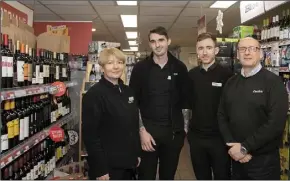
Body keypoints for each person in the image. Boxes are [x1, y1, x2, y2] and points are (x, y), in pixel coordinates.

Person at [218, 36, 288, 180]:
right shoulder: (231, 83)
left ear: (261, 54)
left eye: (252, 49)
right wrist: (232, 146)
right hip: (236, 158)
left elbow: (275, 124)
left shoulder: (273, 83)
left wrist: (245, 147)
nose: (247, 53)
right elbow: (221, 115)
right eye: (243, 49)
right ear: (237, 55)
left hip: (263, 162)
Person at [129, 26, 191, 180]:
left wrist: (183, 131)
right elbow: (132, 103)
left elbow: (186, 102)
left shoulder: (180, 68)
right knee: (146, 176)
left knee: (168, 176)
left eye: (161, 40)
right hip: (148, 136)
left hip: (172, 136)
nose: (157, 45)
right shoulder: (140, 69)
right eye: (153, 41)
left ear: (168, 41)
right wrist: (141, 131)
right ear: (149, 44)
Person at [82, 48, 141, 180]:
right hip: (108, 167)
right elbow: (91, 136)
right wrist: (100, 169)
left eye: (119, 62)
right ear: (102, 67)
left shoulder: (128, 92)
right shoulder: (94, 95)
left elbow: (133, 126)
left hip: (129, 164)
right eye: (110, 63)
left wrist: (136, 154)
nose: (116, 66)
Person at [187, 32, 233, 180]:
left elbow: (232, 108)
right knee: (201, 176)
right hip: (196, 138)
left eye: (208, 47)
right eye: (200, 48)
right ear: (197, 51)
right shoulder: (191, 75)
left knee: (222, 176)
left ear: (216, 50)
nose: (204, 52)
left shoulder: (227, 75)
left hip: (219, 139)